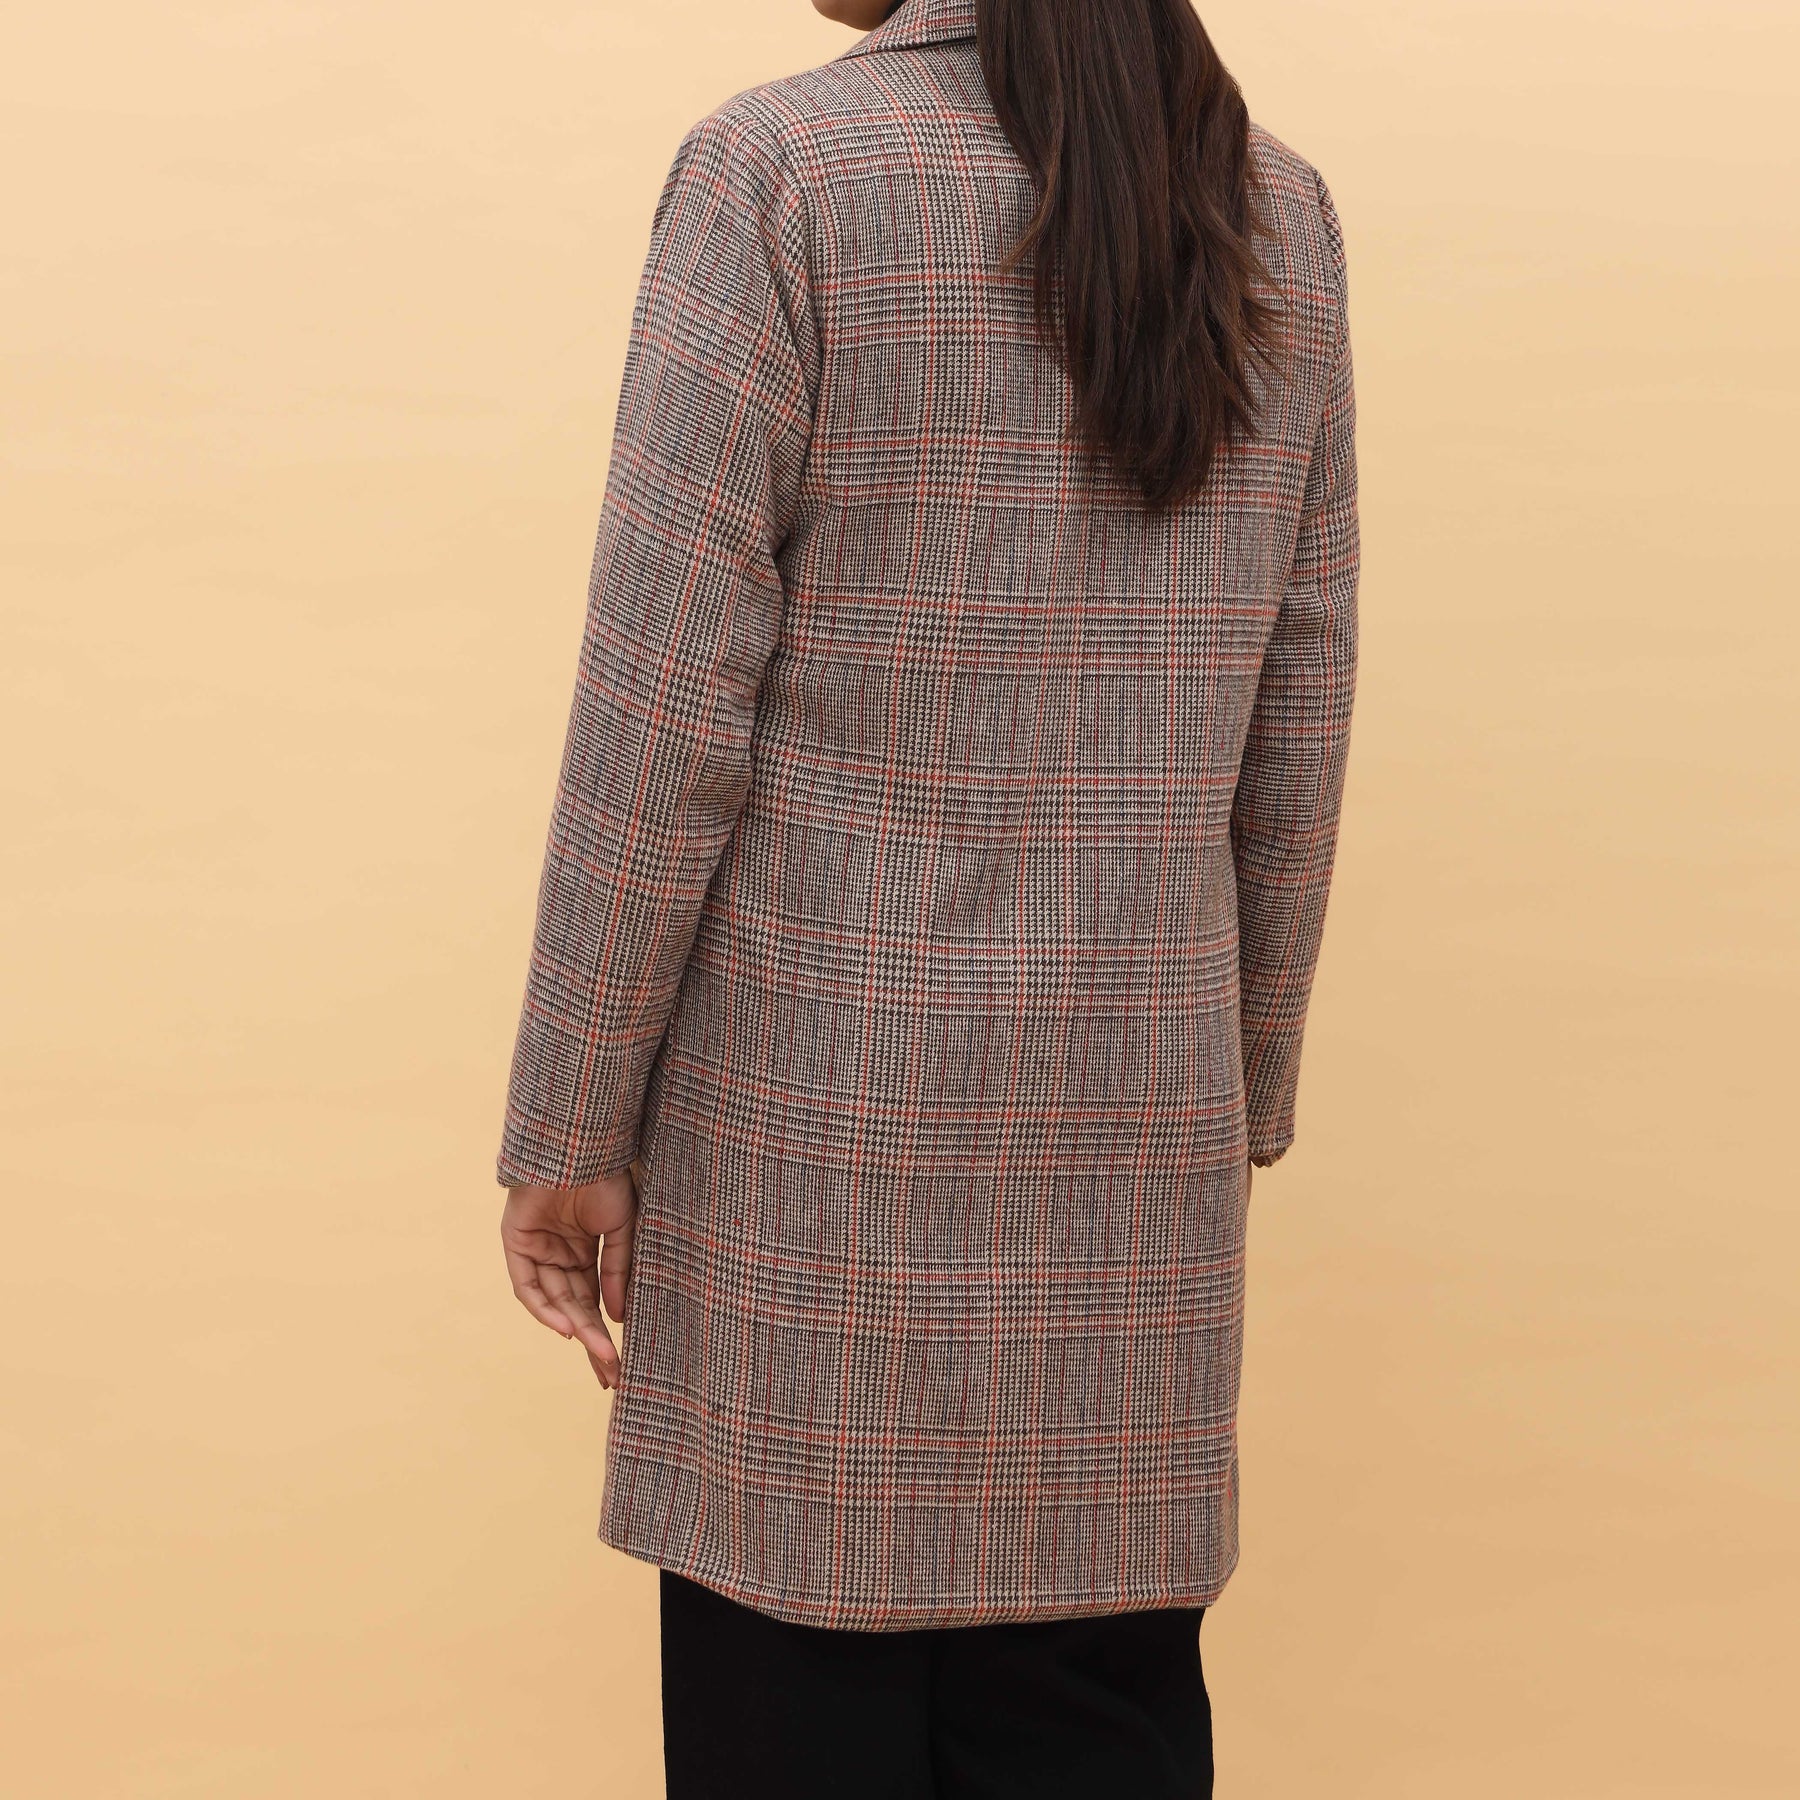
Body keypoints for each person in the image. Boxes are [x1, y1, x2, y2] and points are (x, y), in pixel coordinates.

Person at [495, 0, 1359, 1791]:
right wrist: (1234, 1088)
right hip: (1129, 1156)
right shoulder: (1270, 207)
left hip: (816, 1172)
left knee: (796, 1716)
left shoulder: (786, 174)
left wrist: (572, 1123)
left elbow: (664, 701)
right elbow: (1302, 698)